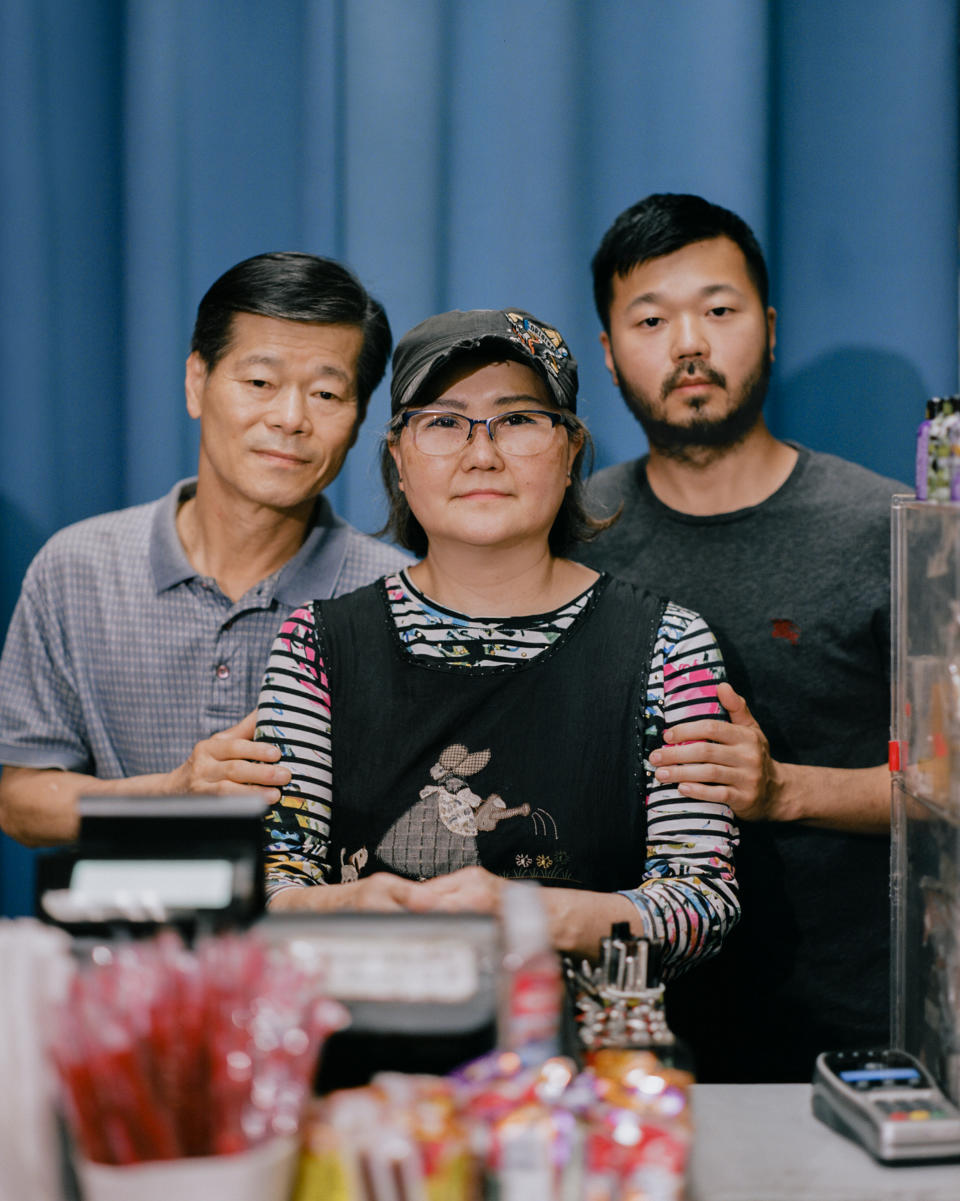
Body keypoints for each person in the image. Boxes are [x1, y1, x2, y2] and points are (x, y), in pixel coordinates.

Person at [256, 306, 740, 968]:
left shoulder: (669, 646)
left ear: (571, 451)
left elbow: (703, 904)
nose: (482, 454)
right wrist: (359, 907)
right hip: (369, 1051)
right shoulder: (317, 646)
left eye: (517, 420)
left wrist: (538, 916)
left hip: (590, 1059)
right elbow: (269, 888)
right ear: (398, 458)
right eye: (444, 423)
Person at [574, 192, 905, 1079]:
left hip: (857, 1029)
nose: (689, 343)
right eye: (651, 318)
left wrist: (785, 788)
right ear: (608, 354)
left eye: (718, 311)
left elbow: (952, 784)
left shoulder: (886, 527)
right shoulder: (570, 534)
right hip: (625, 1030)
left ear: (766, 324)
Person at [0, 252, 411, 847]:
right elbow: (19, 801)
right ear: (198, 383)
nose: (291, 418)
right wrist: (171, 794)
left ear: (360, 418)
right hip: (133, 934)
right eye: (260, 383)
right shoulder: (77, 568)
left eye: (326, 394)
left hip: (324, 934)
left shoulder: (397, 599)